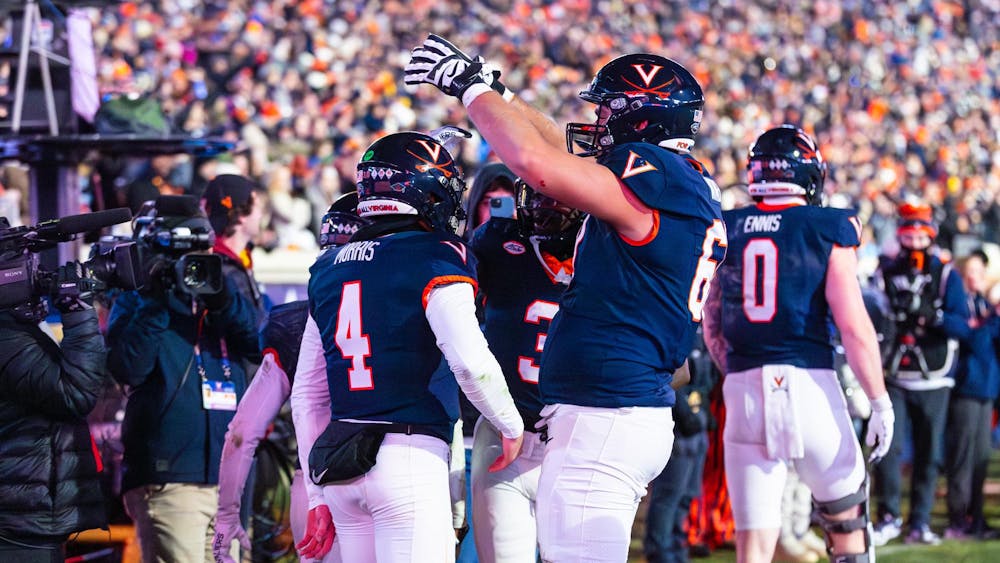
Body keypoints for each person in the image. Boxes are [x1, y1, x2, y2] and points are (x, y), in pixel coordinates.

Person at [406, 37, 727, 561]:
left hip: (608, 412)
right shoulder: (680, 181)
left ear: (638, 118)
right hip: (616, 408)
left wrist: (470, 89)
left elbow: (538, 163)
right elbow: (554, 149)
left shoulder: (655, 176)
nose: (596, 124)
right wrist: (501, 96)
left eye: (605, 111)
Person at [290, 131, 524, 562]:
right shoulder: (436, 253)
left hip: (341, 462)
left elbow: (306, 394)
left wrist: (315, 492)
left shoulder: (328, 268)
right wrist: (510, 425)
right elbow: (471, 364)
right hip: (408, 456)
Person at [701, 125, 894, 563]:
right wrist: (879, 401)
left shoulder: (727, 226)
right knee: (847, 524)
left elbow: (712, 321)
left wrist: (741, 376)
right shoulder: (828, 225)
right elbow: (855, 326)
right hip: (809, 385)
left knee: (753, 547)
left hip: (743, 387)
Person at [212, 192, 370, 563]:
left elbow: (241, 432)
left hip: (315, 489)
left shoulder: (294, 324)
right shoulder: (404, 309)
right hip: (395, 475)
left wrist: (227, 514)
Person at [107, 196, 261, 563]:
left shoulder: (220, 288)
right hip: (170, 477)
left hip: (226, 481)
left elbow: (259, 342)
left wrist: (222, 298)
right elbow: (128, 368)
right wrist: (156, 299)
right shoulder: (134, 298)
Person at [468, 177, 582, 562]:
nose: (543, 207)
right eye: (536, 195)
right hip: (505, 435)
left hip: (576, 441)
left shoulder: (604, 252)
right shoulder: (496, 243)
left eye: (556, 197)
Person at [870, 202, 968, 546]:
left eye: (919, 229)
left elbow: (962, 325)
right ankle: (888, 516)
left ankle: (920, 521)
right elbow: (874, 315)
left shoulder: (946, 275)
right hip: (895, 373)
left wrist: (931, 317)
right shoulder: (885, 271)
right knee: (888, 448)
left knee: (929, 454)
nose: (913, 237)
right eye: (907, 229)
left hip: (933, 376)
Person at [0, 260, 109, 563]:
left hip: (24, 517)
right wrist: (78, 311)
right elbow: (75, 392)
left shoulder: (14, 326)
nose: (34, 271)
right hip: (16, 525)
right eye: (21, 264)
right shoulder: (5, 337)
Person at [643, 330, 718, 563]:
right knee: (668, 495)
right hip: (679, 427)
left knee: (687, 494)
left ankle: (676, 546)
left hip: (698, 424)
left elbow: (707, 377)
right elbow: (672, 376)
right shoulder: (681, 325)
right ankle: (659, 551)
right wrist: (684, 410)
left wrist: (702, 409)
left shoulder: (706, 331)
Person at [944, 249, 1000, 539]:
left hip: (987, 390)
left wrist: (989, 320)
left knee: (980, 456)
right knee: (963, 458)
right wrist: (989, 322)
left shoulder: (982, 305)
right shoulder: (958, 307)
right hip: (966, 389)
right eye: (973, 272)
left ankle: (975, 517)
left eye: (981, 272)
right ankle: (958, 518)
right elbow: (975, 340)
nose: (978, 278)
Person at [202, 174, 270, 322]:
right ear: (241, 214)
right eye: (257, 206)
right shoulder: (218, 268)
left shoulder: (240, 258)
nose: (260, 214)